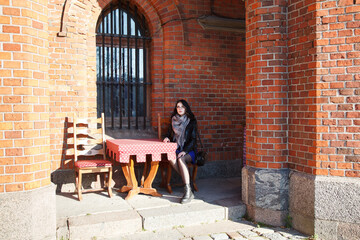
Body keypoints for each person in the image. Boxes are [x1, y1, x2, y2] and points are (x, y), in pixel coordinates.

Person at [163, 99, 197, 204]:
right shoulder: (173, 120)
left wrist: (185, 151)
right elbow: (169, 133)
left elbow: (193, 139)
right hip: (177, 148)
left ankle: (187, 191)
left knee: (181, 159)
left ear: (185, 108)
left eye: (182, 106)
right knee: (171, 158)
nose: (180, 109)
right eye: (178, 107)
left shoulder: (191, 120)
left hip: (189, 150)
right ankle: (189, 184)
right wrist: (167, 138)